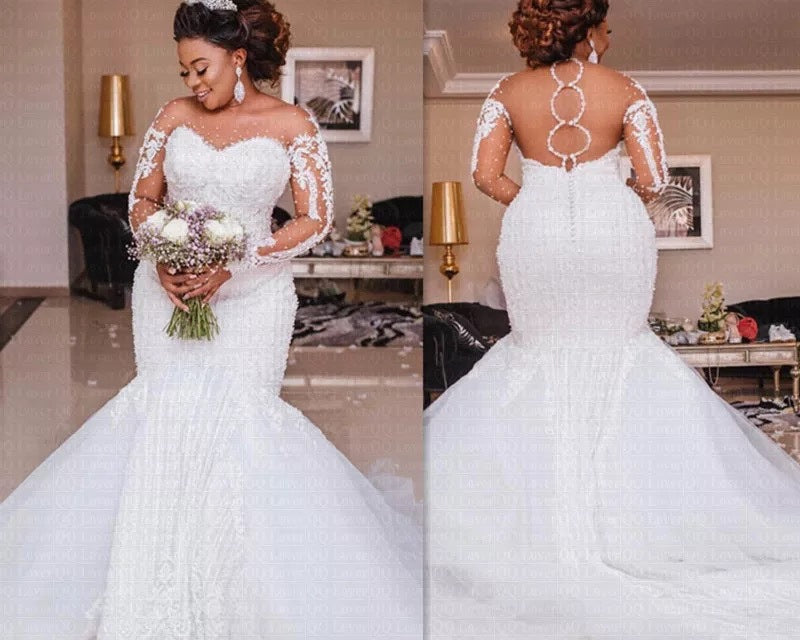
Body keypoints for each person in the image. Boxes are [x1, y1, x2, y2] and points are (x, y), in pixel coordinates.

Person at [0, 1, 421, 638]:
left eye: (202, 68)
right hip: (165, 292)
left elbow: (313, 220)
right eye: (185, 72)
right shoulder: (173, 117)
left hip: (252, 297)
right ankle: (149, 584)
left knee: (239, 423)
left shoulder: (292, 123)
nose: (194, 83)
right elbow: (143, 199)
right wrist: (162, 258)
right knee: (165, 416)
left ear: (237, 58)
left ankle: (242, 589)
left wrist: (237, 263)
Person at [425, 1, 800, 638]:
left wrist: (540, 201)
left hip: (536, 234)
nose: (610, 34)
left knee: (537, 351)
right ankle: (638, 526)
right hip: (611, 235)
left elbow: (486, 174)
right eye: (606, 24)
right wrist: (600, 202)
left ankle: (533, 526)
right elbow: (653, 178)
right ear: (589, 29)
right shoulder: (625, 90)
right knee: (622, 352)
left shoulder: (506, 91)